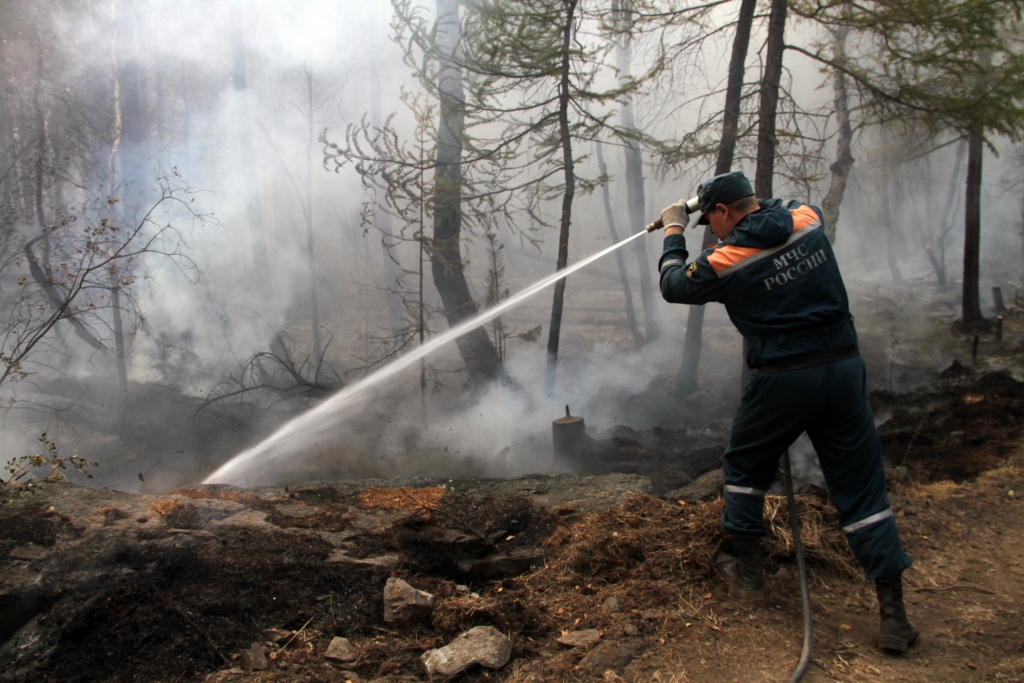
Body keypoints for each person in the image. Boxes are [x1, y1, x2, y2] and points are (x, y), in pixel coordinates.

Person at [656, 170, 918, 653]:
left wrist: (676, 226)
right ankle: (894, 616)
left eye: (711, 221)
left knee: (744, 468)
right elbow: (773, 207)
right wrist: (718, 202)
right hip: (843, 368)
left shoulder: (727, 258)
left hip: (783, 378)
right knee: (861, 488)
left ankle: (750, 576)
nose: (710, 233)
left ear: (722, 213)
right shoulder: (807, 219)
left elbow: (675, 285)